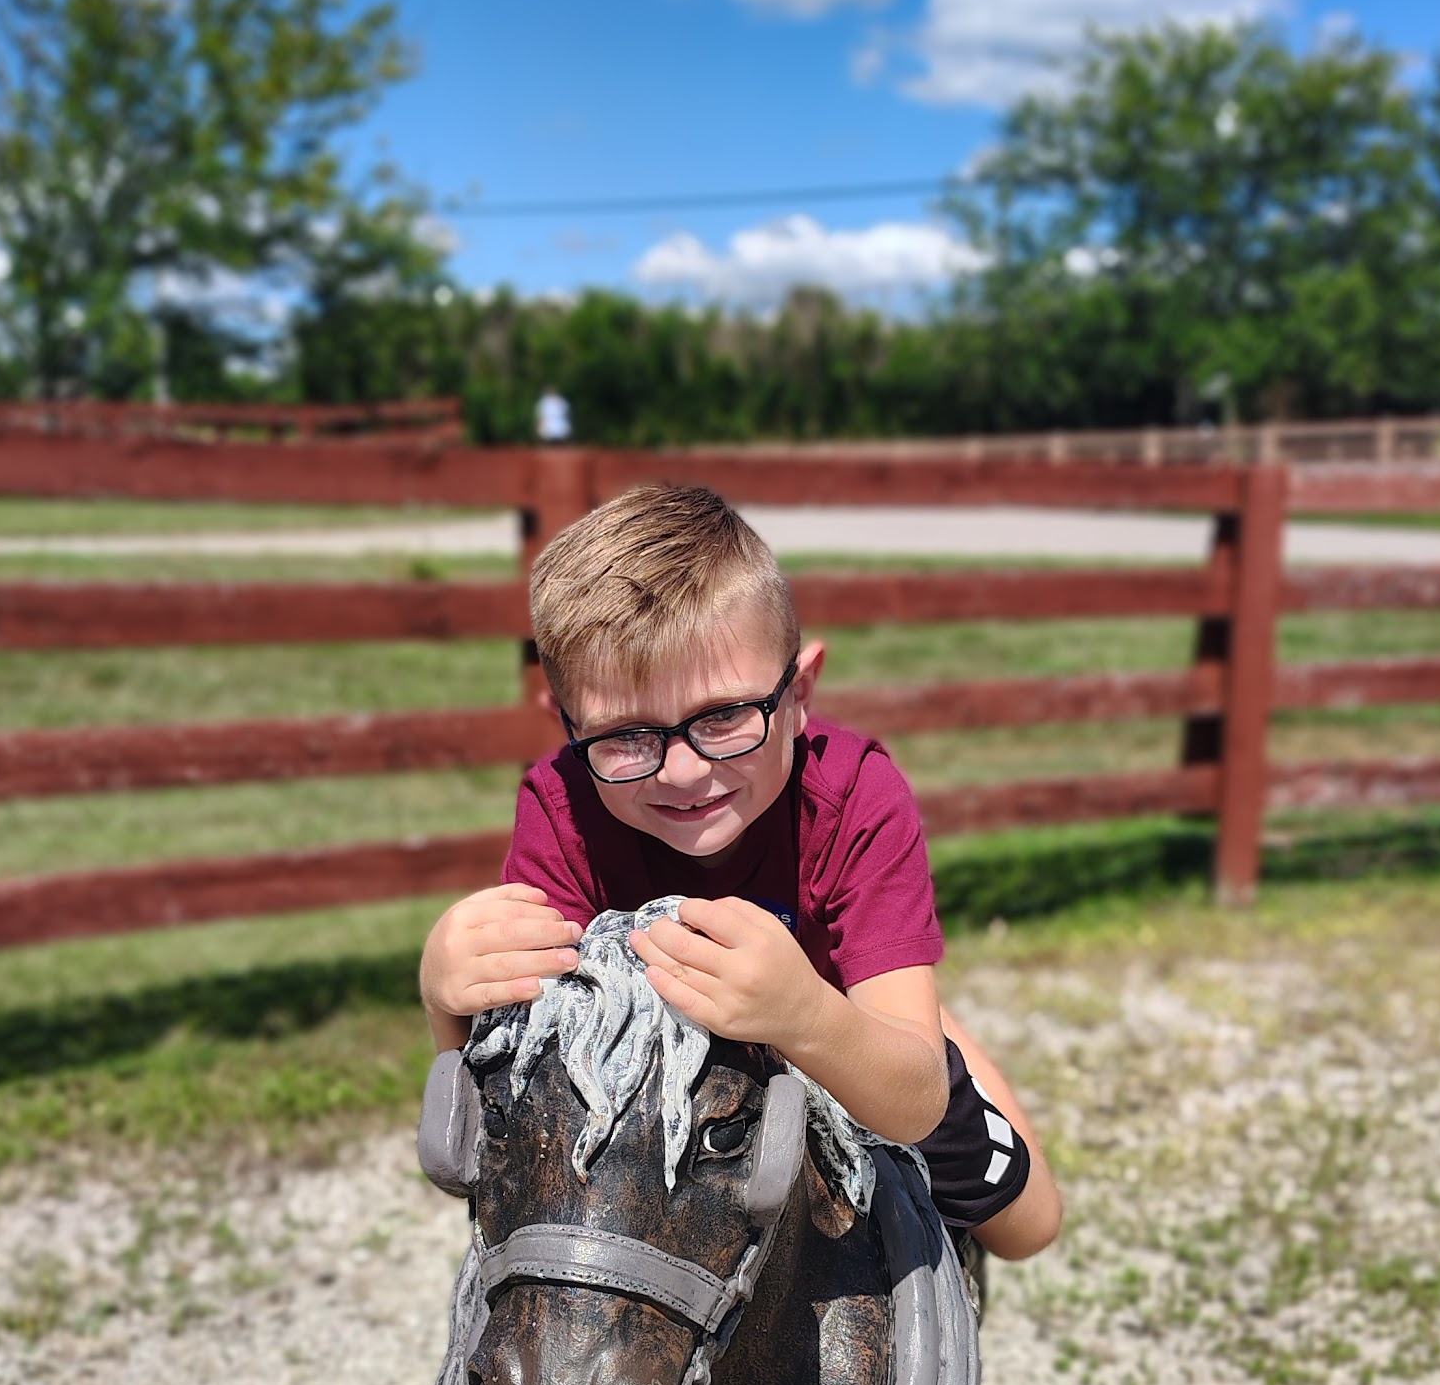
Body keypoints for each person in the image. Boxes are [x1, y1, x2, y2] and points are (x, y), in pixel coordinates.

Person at [420, 483, 1063, 1262]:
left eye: (724, 717)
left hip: (843, 1022)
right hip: (681, 1087)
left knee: (1027, 1225)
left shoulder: (856, 793)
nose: (684, 772)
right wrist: (445, 996)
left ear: (798, 694)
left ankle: (914, 1001)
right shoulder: (561, 806)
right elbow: (519, 1089)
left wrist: (805, 1016)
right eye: (626, 736)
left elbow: (917, 1097)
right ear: (567, 722)